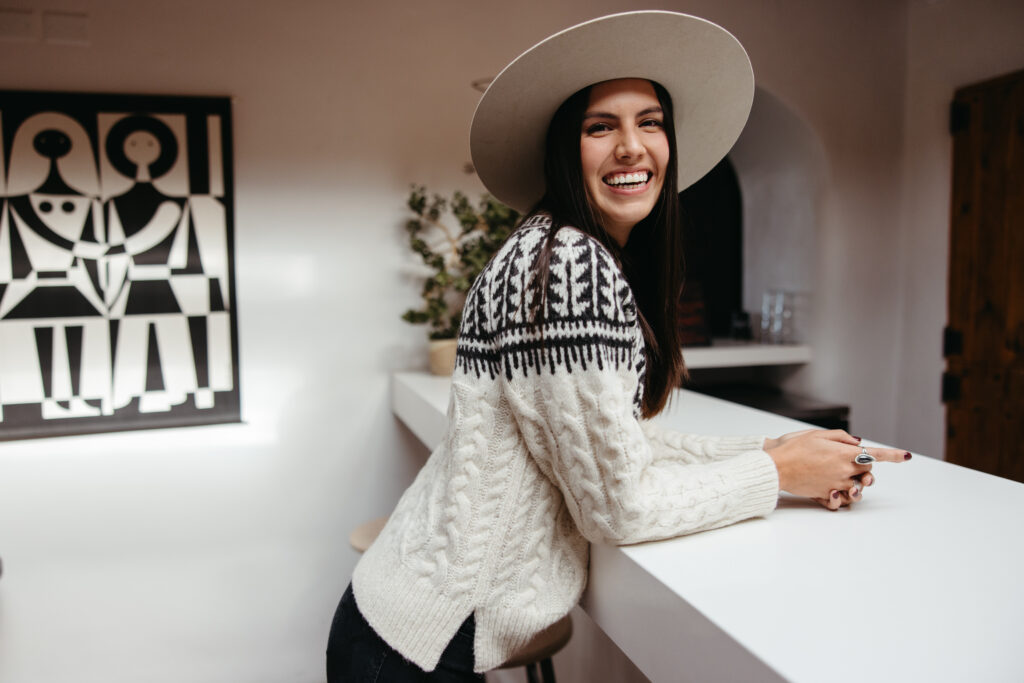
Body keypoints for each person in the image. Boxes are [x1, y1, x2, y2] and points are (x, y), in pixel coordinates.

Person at [326, 11, 911, 681]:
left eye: (650, 122)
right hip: (413, 650)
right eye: (600, 126)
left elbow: (609, 447)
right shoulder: (571, 262)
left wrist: (779, 453)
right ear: (564, 151)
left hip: (402, 625)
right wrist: (777, 476)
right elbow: (617, 506)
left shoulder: (554, 246)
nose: (632, 146)